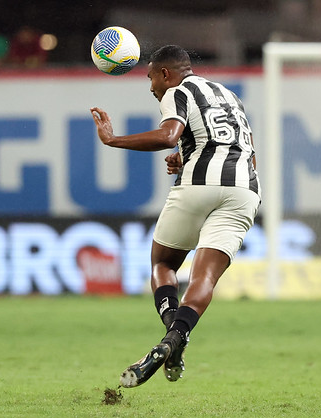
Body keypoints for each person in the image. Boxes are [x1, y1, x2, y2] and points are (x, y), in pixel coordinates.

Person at [90, 45, 261, 388]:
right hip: (245, 190)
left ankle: (172, 330)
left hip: (198, 186)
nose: (151, 86)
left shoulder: (177, 90)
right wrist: (186, 157)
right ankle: (175, 340)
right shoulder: (229, 96)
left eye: (151, 76)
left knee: (163, 264)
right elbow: (238, 150)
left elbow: (169, 135)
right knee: (205, 278)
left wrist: (113, 140)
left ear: (165, 74)